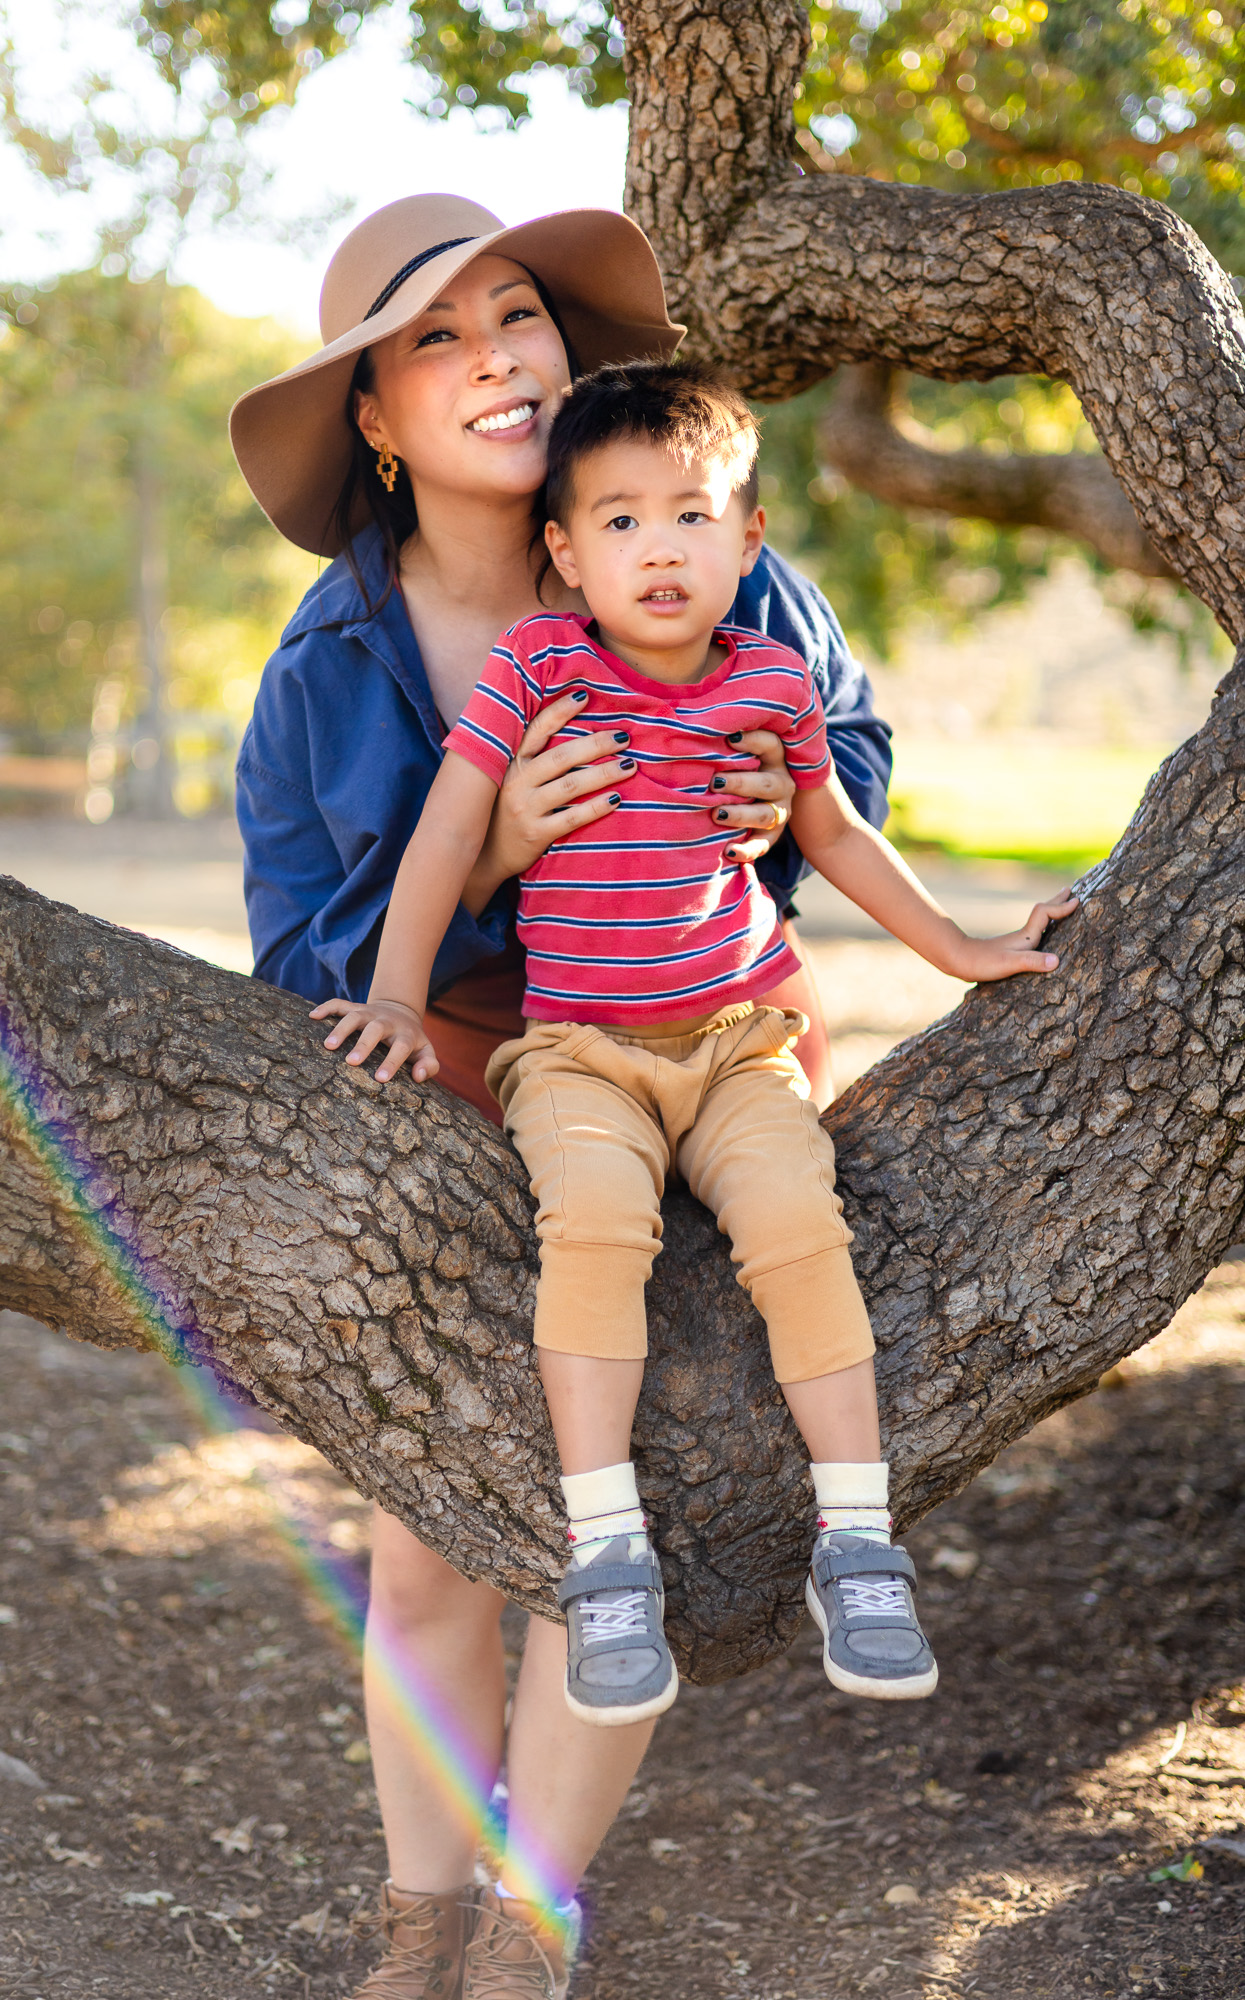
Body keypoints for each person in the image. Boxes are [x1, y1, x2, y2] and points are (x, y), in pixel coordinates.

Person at [233, 195, 893, 2000]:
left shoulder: (676, 533)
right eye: (430, 341)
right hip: (463, 1084)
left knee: (629, 1503)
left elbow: (848, 748)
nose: (493, 358)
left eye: (511, 315)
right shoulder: (324, 667)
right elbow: (301, 950)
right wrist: (502, 854)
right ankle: (415, 1925)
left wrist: (775, 804)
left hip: (703, 1049)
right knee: (441, 1534)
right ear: (373, 414)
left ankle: (537, 1922)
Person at [316, 354, 1078, 1741]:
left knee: (799, 1220)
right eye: (615, 519)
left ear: (748, 537)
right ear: (563, 550)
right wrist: (393, 994)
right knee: (594, 1227)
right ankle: (606, 1547)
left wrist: (964, 952)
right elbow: (442, 834)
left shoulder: (771, 683)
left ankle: (858, 1541)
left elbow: (839, 835)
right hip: (579, 1055)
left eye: (687, 513)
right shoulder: (538, 662)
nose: (655, 547)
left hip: (736, 1042)